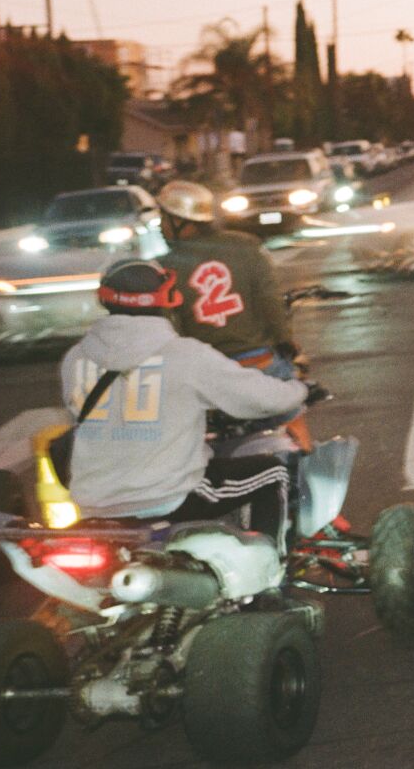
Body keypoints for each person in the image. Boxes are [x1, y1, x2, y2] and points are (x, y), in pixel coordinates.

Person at [61, 260, 309, 540]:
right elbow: (265, 400)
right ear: (166, 299)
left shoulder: (75, 357)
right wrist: (299, 389)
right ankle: (270, 570)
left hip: (93, 503)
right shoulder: (186, 354)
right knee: (273, 472)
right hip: (168, 497)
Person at [154, 180, 298, 375]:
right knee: (294, 399)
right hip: (260, 360)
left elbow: (169, 325)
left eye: (163, 219)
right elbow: (269, 297)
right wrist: (285, 340)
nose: (160, 227)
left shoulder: (166, 267)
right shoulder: (246, 245)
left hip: (209, 368)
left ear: (180, 220)